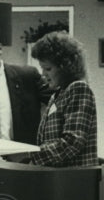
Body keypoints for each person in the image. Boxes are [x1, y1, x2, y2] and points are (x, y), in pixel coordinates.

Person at [29, 31, 98, 167]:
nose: (43, 74)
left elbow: (72, 142)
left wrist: (32, 156)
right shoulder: (59, 93)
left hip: (72, 179)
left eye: (48, 69)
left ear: (65, 67)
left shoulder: (78, 89)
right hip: (58, 178)